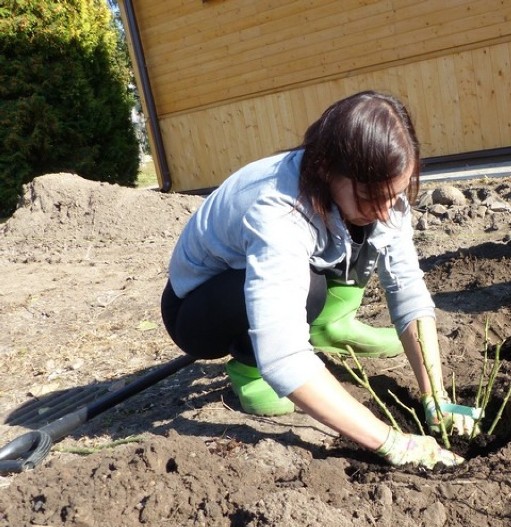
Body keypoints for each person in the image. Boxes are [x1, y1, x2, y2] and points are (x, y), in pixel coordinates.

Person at [160, 91, 478, 469]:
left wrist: (435, 395)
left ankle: (331, 324)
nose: (382, 209)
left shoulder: (380, 203)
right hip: (199, 309)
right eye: (369, 197)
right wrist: (392, 442)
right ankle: (248, 366)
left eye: (393, 196)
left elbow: (407, 289)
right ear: (327, 170)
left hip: (262, 274)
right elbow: (283, 357)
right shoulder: (279, 211)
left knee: (364, 234)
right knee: (308, 288)